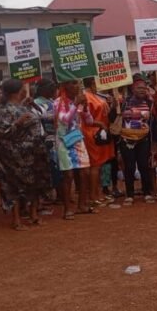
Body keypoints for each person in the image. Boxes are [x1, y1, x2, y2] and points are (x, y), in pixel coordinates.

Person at [0, 79, 50, 230]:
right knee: (13, 186)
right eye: (23, 88)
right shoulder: (2, 109)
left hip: (33, 152)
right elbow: (2, 133)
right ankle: (16, 219)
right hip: (14, 155)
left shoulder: (24, 106)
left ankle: (33, 215)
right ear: (18, 91)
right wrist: (17, 122)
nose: (27, 89)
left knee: (34, 184)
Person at [54, 79, 94, 220]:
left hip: (77, 139)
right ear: (65, 86)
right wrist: (76, 105)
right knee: (68, 176)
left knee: (85, 172)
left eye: (77, 83)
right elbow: (65, 119)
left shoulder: (79, 101)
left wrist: (86, 108)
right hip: (63, 141)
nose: (76, 86)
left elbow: (88, 121)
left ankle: (82, 205)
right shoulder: (58, 102)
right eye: (72, 83)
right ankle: (67, 209)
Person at [119, 76, 155, 205]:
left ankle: (147, 193)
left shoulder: (149, 102)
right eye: (139, 88)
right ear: (133, 89)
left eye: (144, 88)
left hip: (143, 139)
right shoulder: (123, 102)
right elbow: (115, 116)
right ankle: (129, 194)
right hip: (126, 139)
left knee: (144, 166)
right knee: (129, 167)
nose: (142, 90)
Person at [81, 77, 115, 206]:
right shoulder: (86, 97)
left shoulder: (97, 95)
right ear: (92, 83)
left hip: (101, 133)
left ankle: (98, 193)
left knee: (100, 165)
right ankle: (93, 197)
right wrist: (100, 124)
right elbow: (84, 118)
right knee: (95, 165)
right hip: (91, 133)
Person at [33, 79, 63, 203]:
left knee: (58, 167)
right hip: (45, 140)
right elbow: (39, 117)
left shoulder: (52, 102)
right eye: (52, 88)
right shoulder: (36, 103)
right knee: (49, 168)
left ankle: (60, 194)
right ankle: (47, 195)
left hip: (57, 138)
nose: (54, 90)